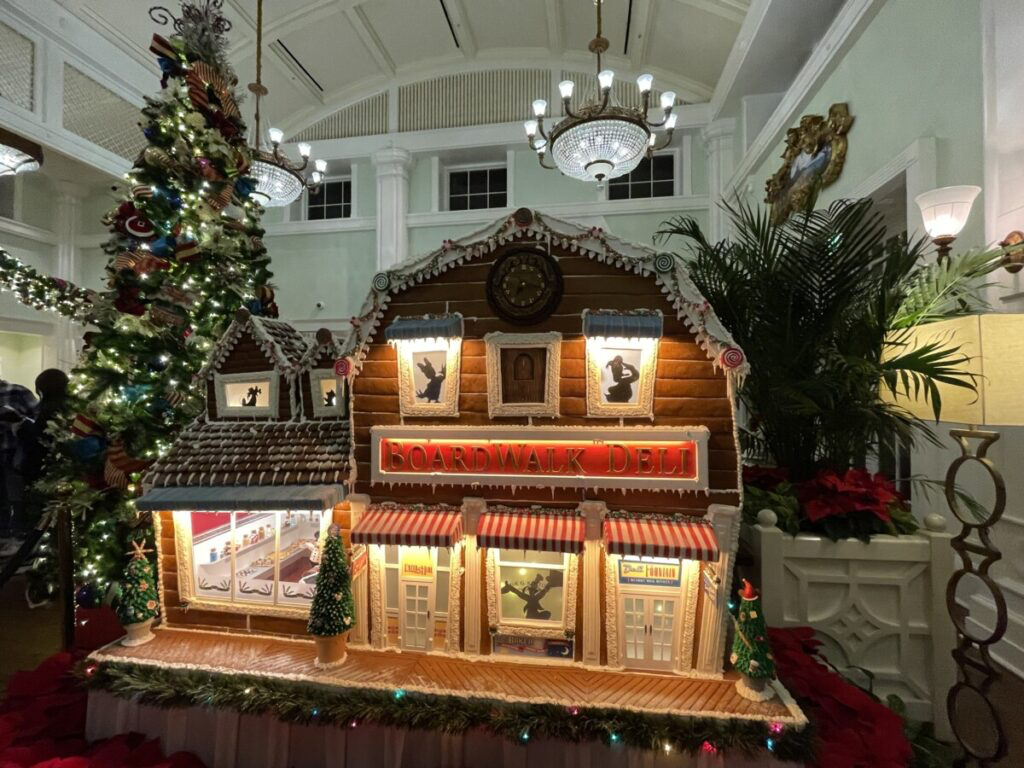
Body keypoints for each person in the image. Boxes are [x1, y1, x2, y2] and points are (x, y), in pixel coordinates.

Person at [0, 376, 38, 555]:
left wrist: (18, 419)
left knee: (18, 501)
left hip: (15, 460)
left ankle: (20, 543)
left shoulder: (18, 392)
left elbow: (42, 426)